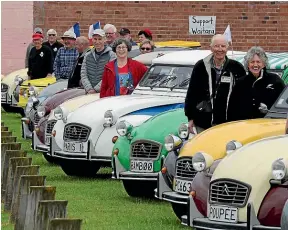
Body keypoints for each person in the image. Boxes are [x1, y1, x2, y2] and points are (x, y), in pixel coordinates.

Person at [184, 34, 246, 133]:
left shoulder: (236, 68)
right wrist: (190, 117)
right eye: (216, 46)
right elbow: (192, 93)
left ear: (227, 48)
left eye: (223, 46)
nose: (220, 49)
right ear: (211, 48)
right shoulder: (200, 66)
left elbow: (243, 96)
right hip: (203, 121)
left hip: (228, 122)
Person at [227, 46, 285, 121]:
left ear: (264, 64)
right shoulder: (240, 83)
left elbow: (283, 105)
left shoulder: (275, 80)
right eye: (252, 62)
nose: (255, 65)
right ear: (248, 64)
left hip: (268, 125)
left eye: (258, 62)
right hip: (244, 126)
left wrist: (268, 109)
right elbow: (232, 109)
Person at [81, 29, 116, 94]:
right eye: (95, 39)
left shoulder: (111, 55)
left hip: (105, 92)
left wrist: (96, 89)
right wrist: (89, 89)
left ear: (104, 40)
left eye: (100, 39)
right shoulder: (87, 55)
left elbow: (110, 74)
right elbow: (83, 74)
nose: (97, 42)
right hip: (88, 92)